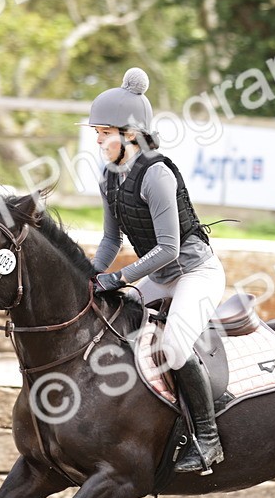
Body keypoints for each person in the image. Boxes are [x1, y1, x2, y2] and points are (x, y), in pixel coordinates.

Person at [82, 68, 226, 474]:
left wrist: (121, 278)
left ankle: (208, 439)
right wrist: (92, 276)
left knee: (176, 347)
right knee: (110, 321)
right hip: (161, 274)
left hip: (195, 272)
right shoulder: (109, 177)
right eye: (95, 132)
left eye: (103, 132)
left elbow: (169, 248)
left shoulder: (157, 175)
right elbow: (112, 241)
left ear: (130, 134)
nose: (96, 140)